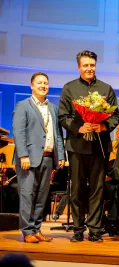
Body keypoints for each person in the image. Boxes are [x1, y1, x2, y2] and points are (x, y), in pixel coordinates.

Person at [58, 50, 119, 242]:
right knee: (77, 189)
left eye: (92, 65)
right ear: (79, 67)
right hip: (77, 147)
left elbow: (115, 116)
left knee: (97, 189)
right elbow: (63, 116)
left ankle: (95, 229)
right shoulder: (69, 88)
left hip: (99, 147)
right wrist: (80, 127)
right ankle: (77, 229)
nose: (89, 68)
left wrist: (103, 125)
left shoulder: (106, 89)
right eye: (85, 65)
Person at [12, 72, 65, 243]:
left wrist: (61, 155)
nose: (43, 86)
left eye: (46, 83)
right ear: (32, 86)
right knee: (27, 195)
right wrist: (23, 155)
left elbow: (57, 134)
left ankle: (36, 229)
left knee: (42, 197)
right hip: (28, 159)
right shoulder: (23, 105)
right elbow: (19, 133)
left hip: (48, 158)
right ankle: (27, 231)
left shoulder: (53, 108)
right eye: (39, 83)